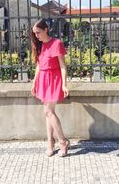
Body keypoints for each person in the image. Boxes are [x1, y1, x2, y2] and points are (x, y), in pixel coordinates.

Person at [30, 18, 70, 157]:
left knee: (48, 111)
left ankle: (62, 141)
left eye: (38, 32)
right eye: (34, 33)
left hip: (54, 79)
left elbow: (63, 66)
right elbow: (39, 66)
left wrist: (64, 84)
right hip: (43, 79)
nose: (36, 36)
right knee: (48, 112)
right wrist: (34, 82)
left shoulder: (57, 43)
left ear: (46, 29)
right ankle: (50, 143)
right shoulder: (39, 45)